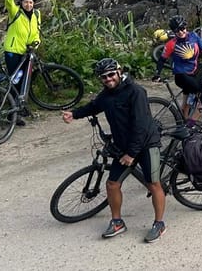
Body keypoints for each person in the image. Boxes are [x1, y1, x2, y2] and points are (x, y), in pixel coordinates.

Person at [62, 58, 166, 243]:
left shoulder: (136, 92)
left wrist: (132, 154)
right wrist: (75, 114)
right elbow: (94, 106)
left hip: (146, 144)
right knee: (112, 184)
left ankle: (159, 224)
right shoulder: (107, 95)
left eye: (111, 75)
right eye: (104, 77)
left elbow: (141, 127)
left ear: (119, 72)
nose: (108, 79)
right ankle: (117, 222)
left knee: (153, 184)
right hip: (124, 146)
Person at [3, 0, 41, 124]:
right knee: (16, 80)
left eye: (31, 2)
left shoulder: (37, 14)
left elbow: (36, 32)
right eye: (26, 1)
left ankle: (20, 106)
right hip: (13, 52)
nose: (28, 4)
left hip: (27, 53)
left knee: (25, 78)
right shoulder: (15, 11)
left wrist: (35, 44)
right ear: (21, 2)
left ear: (34, 3)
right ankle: (12, 114)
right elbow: (8, 0)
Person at [152, 15, 202, 118]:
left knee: (186, 99)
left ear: (186, 27)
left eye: (182, 28)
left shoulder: (194, 36)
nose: (181, 32)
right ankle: (191, 123)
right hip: (181, 75)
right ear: (173, 31)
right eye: (177, 30)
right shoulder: (171, 44)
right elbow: (161, 60)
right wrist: (157, 74)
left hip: (194, 72)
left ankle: (184, 121)